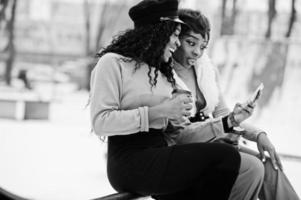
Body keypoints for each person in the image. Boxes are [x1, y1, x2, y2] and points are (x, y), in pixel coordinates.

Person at [89, 0, 249, 199]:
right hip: (129, 161)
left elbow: (180, 132)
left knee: (216, 167)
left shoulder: (161, 73)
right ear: (157, 32)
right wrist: (160, 111)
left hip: (161, 154)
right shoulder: (113, 63)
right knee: (225, 157)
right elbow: (101, 122)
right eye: (174, 35)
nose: (176, 42)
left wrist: (222, 128)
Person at [167, 8, 300, 200]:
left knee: (270, 165)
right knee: (251, 168)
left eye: (203, 46)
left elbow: (224, 114)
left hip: (212, 141)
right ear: (176, 38)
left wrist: (258, 134)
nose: (197, 52)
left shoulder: (205, 70)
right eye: (191, 43)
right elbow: (181, 135)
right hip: (185, 151)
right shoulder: (165, 74)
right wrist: (226, 124)